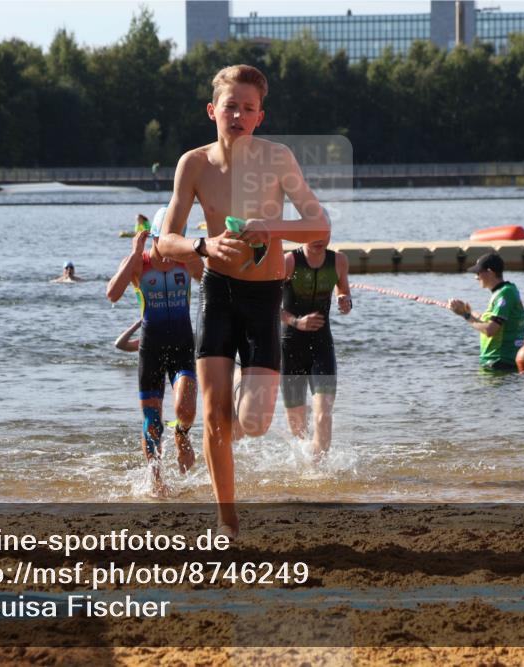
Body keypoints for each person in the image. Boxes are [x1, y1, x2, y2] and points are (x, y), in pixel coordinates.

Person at [156, 64, 329, 536]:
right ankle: (227, 521)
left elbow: (320, 225)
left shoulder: (278, 160)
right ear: (213, 110)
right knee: (212, 418)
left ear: (259, 117)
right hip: (217, 293)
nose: (238, 114)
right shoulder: (193, 164)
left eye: (247, 108)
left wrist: (271, 228)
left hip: (264, 296)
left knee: (250, 422)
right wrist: (202, 246)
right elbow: (163, 241)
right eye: (230, 105)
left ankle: (227, 412)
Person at [107, 207, 204, 495]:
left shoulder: (187, 262)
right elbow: (112, 294)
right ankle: (157, 478)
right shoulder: (139, 263)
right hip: (151, 347)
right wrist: (135, 255)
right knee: (151, 422)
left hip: (182, 344)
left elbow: (215, 283)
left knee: (185, 409)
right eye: (170, 241)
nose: (174, 249)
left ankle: (182, 433)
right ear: (156, 237)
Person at [280, 228, 352, 461]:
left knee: (323, 416)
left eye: (325, 233)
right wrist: (295, 321)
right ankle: (305, 464)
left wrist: (345, 300)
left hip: (322, 347)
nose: (320, 239)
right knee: (298, 426)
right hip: (290, 348)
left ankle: (318, 473)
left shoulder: (339, 261)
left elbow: (344, 290)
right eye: (314, 233)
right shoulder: (289, 261)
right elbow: (268, 303)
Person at [448, 253, 524, 372]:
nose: (476, 277)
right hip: (495, 364)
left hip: (501, 363)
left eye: (478, 273)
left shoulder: (505, 294)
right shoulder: (503, 292)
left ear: (490, 272)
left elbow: (490, 329)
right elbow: (487, 320)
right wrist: (466, 310)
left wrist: (465, 315)